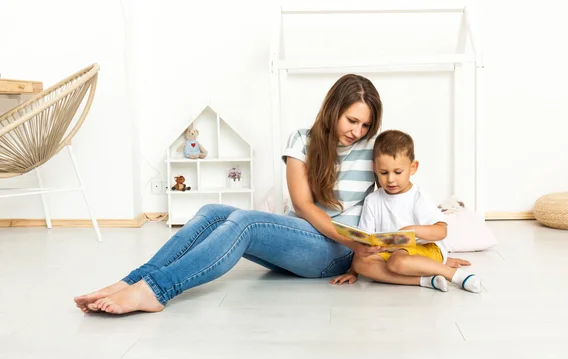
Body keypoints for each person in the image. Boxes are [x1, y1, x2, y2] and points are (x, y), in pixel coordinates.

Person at [75, 74, 470, 314]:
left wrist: (429, 252)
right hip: (307, 239)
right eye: (352, 120)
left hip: (336, 253)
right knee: (213, 209)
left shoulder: (374, 150)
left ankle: (156, 291)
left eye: (365, 125)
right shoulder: (301, 140)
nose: (358, 131)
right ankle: (134, 281)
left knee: (244, 221)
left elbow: (402, 190)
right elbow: (301, 205)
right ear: (333, 109)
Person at [329, 130, 480, 293]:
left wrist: (414, 230)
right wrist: (353, 272)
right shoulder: (372, 200)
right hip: (391, 252)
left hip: (426, 249)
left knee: (397, 261)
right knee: (361, 264)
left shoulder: (417, 196)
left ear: (413, 167)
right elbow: (366, 240)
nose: (391, 179)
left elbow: (441, 231)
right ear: (375, 168)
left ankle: (454, 275)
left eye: (398, 172)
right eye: (384, 173)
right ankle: (424, 280)